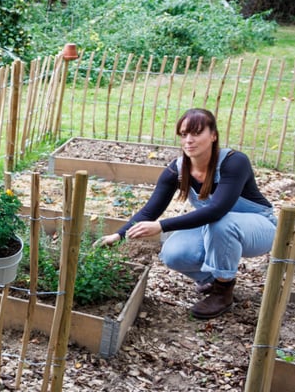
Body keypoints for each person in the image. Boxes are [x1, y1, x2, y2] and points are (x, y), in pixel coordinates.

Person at [95, 108, 276, 319]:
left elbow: (216, 210)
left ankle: (222, 293)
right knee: (173, 252)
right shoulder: (178, 169)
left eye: (196, 133)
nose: (189, 140)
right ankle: (214, 279)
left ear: (213, 135)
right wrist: (118, 235)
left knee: (222, 223)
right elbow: (150, 209)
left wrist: (162, 226)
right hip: (215, 227)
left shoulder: (234, 162)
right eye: (183, 134)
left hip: (260, 228)